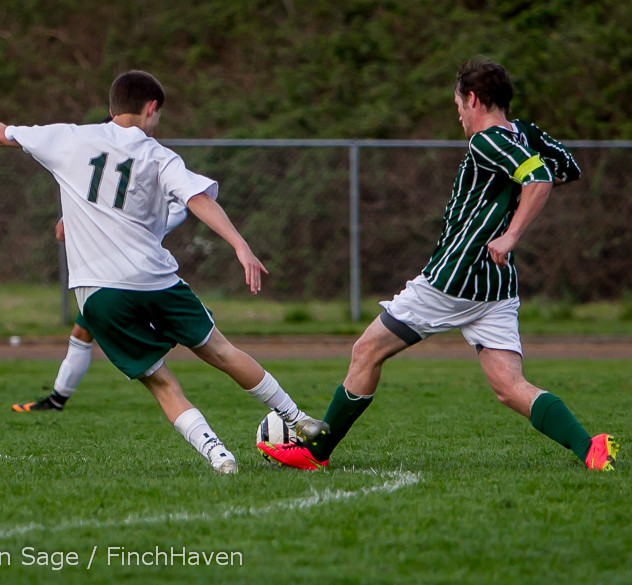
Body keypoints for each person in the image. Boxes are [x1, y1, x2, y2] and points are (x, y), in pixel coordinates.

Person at [0, 70, 328, 474]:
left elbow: (0, 134)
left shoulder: (69, 137)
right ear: (151, 108)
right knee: (222, 352)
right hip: (154, 278)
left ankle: (218, 454)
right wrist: (239, 244)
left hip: (99, 290)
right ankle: (298, 419)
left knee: (160, 382)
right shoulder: (157, 155)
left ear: (110, 108)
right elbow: (196, 198)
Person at [259, 57, 619, 472]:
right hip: (495, 287)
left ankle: (315, 453)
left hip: (455, 278)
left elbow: (537, 178)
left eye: (459, 107)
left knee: (366, 351)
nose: (460, 117)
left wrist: (510, 232)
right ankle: (589, 448)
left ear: (473, 99)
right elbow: (565, 168)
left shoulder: (487, 140)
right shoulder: (524, 134)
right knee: (509, 387)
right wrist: (511, 195)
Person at [12, 203, 188, 413]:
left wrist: (141, 231)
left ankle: (167, 334)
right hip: (111, 275)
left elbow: (179, 208)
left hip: (131, 276)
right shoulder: (107, 188)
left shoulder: (149, 182)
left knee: (201, 348)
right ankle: (56, 400)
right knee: (81, 332)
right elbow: (62, 231)